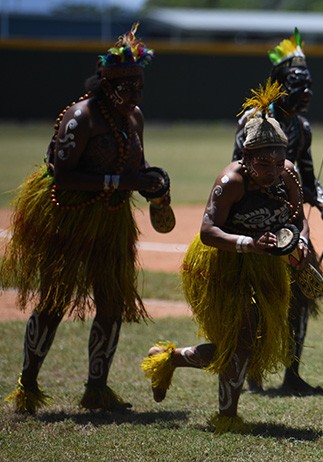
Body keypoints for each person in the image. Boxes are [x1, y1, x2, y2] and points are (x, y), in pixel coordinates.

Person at [1, 24, 164, 414]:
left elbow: (135, 165)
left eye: (140, 86)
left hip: (110, 220)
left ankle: (96, 389)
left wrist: (151, 183)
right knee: (55, 302)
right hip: (69, 217)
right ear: (107, 85)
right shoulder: (81, 117)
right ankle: (28, 385)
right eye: (128, 87)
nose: (136, 95)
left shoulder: (134, 117)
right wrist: (119, 180)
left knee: (111, 302)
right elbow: (62, 174)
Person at [141, 80, 305, 434]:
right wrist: (249, 243)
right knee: (241, 338)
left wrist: (298, 240)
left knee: (251, 343)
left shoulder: (289, 174)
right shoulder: (230, 181)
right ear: (245, 157)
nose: (274, 169)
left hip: (266, 264)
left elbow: (297, 219)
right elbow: (208, 231)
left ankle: (170, 358)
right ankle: (227, 415)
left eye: (279, 159)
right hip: (223, 264)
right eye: (265, 161)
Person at [232, 28, 323, 395]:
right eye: (298, 85)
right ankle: (252, 369)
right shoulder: (254, 120)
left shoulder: (302, 127)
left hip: (291, 220)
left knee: (302, 292)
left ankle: (292, 374)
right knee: (258, 296)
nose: (307, 91)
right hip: (255, 223)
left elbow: (309, 179)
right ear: (280, 85)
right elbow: (239, 171)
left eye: (309, 85)